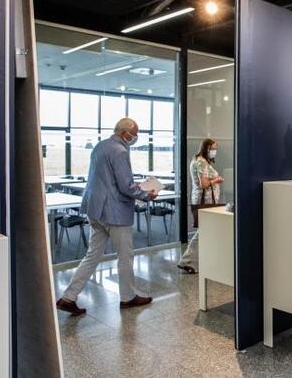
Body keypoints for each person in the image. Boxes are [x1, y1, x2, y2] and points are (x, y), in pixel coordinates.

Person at [56, 118, 158, 316]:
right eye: (134, 134)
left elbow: (106, 178)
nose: (135, 137)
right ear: (124, 133)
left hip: (96, 210)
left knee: (92, 255)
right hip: (114, 212)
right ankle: (128, 298)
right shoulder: (120, 151)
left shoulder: (100, 146)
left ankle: (68, 297)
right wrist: (147, 195)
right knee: (125, 256)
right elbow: (125, 186)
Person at [178, 138, 223, 274]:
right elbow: (203, 184)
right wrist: (217, 180)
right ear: (206, 148)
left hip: (206, 200)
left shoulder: (200, 161)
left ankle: (204, 259)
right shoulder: (201, 162)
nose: (215, 151)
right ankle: (186, 260)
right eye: (213, 148)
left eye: (216, 148)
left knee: (206, 230)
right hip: (205, 201)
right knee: (203, 231)